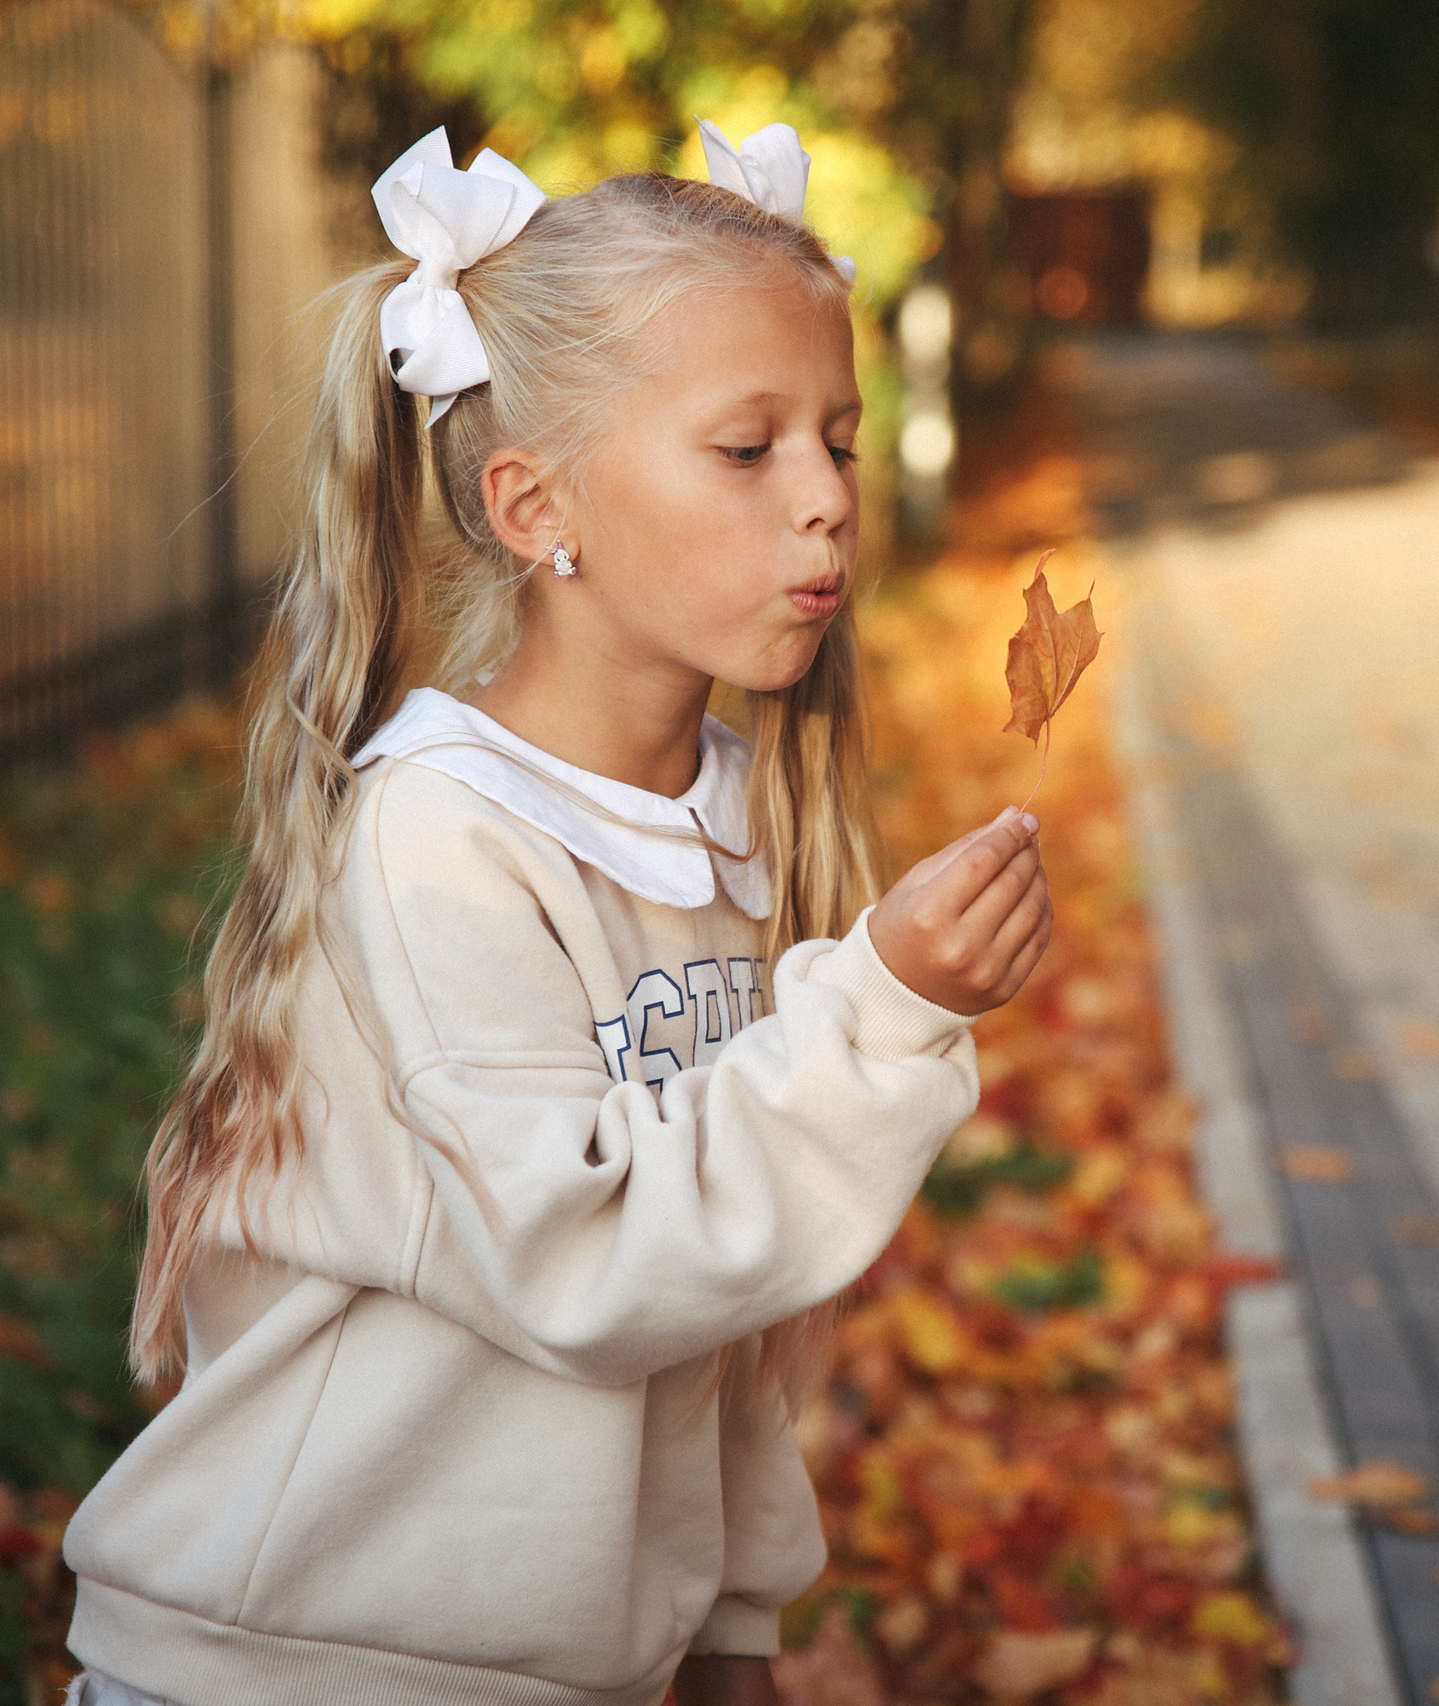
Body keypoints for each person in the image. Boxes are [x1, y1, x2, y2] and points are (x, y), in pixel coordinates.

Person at [60, 121, 1053, 1706]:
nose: (825, 500)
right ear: (535, 508)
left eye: (840, 440)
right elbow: (586, 1258)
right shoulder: (443, 837)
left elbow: (716, 1307)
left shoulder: (731, 824)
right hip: (296, 1670)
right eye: (749, 449)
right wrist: (881, 1013)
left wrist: (732, 1628)